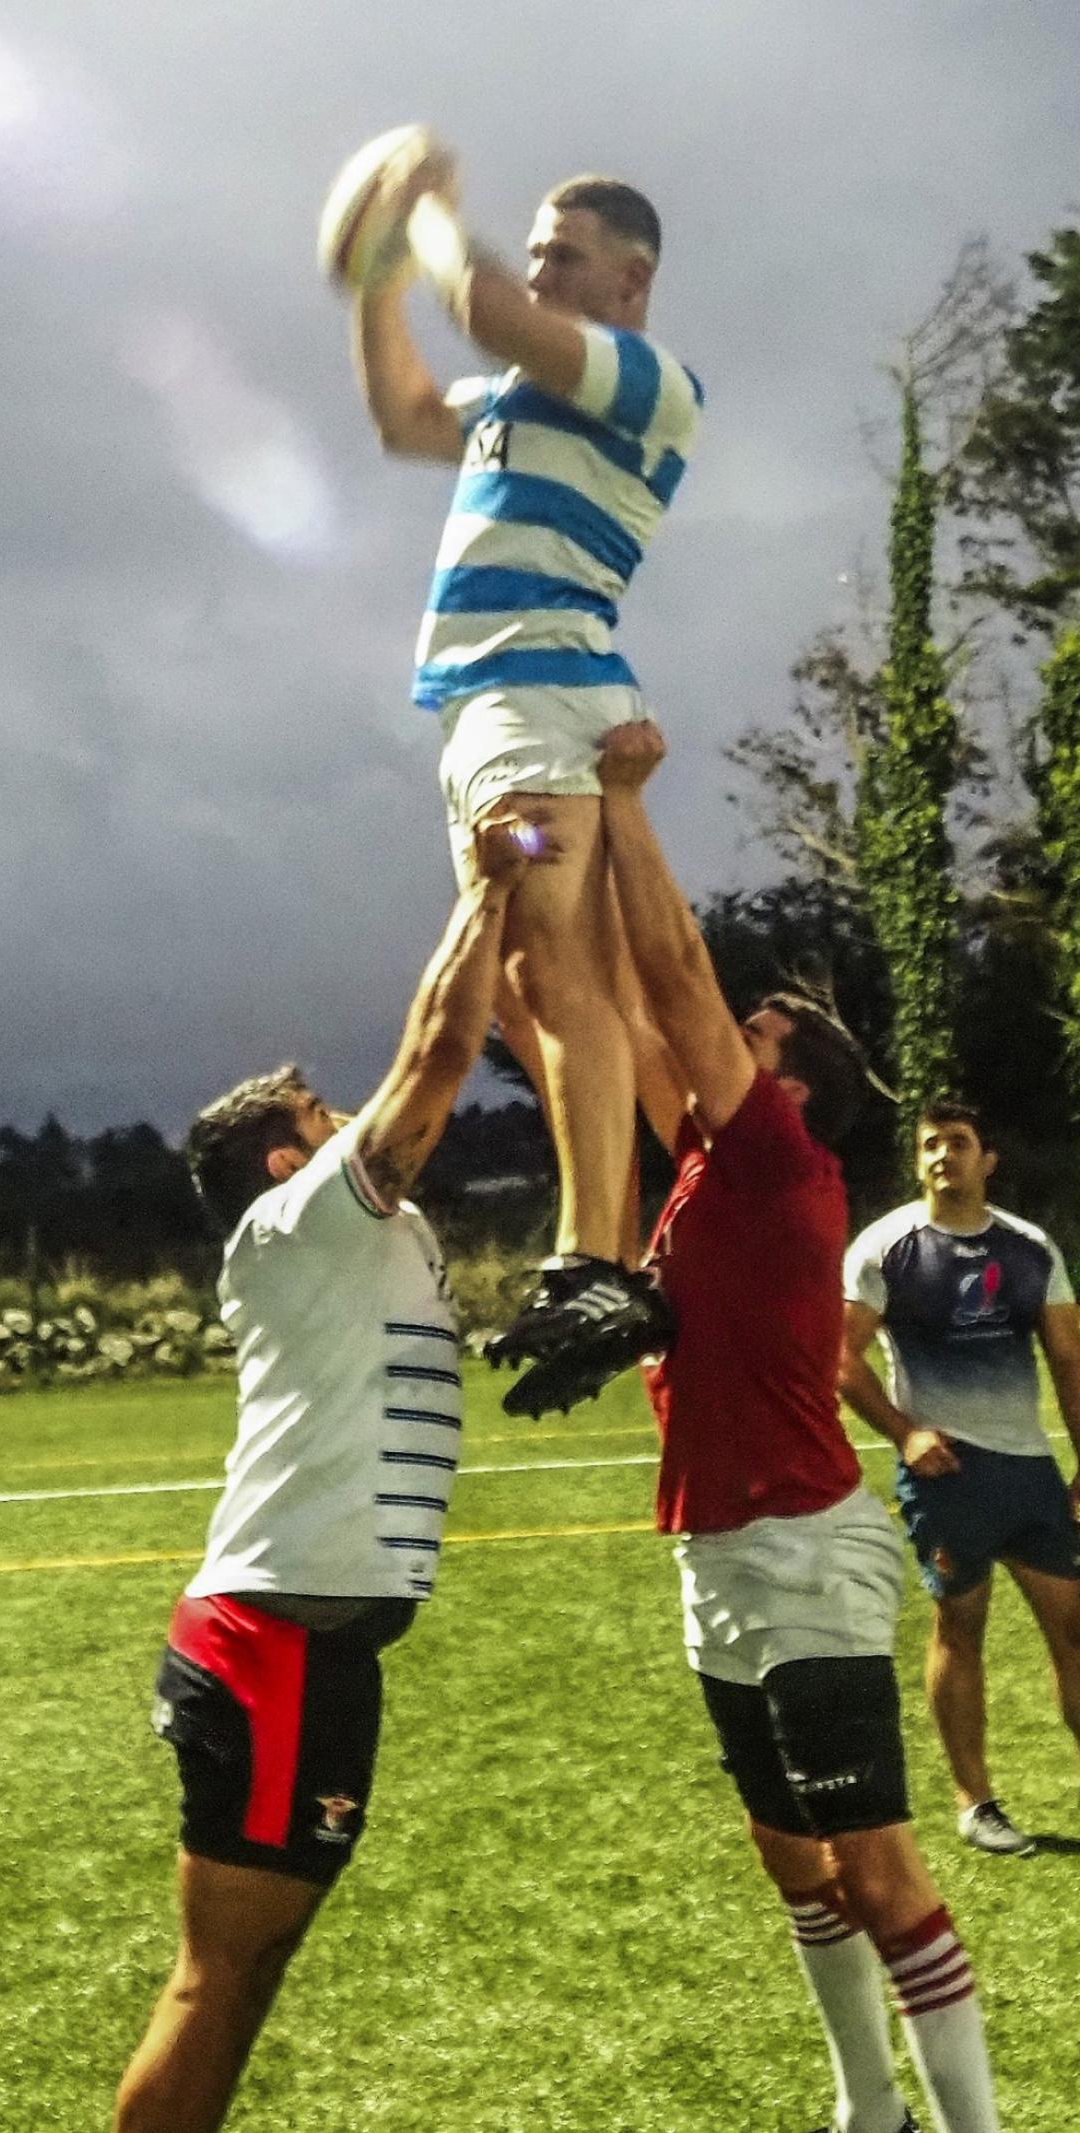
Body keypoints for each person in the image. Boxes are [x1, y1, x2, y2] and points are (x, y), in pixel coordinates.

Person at [28, 821, 544, 2133]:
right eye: (317, 1117)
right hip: (263, 1650)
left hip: (321, 1656)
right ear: (281, 1162)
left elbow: (471, 1041)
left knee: (257, 1963)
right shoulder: (301, 1221)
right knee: (214, 1975)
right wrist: (490, 885)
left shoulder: (353, 1234)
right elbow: (439, 1048)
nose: (349, 1122)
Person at [540, 721, 1040, 2133]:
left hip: (811, 1554)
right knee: (794, 1863)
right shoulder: (694, 1177)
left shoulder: (769, 1150)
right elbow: (589, 1010)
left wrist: (616, 803)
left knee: (882, 1876)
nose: (706, 1046)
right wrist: (522, 861)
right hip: (715, 1558)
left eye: (743, 1040)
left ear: (790, 1077)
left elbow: (666, 970)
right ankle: (872, 2122)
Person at [345, 134, 701, 1381]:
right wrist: (379, 280)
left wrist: (427, 213)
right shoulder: (515, 405)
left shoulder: (645, 381)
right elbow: (400, 416)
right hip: (486, 712)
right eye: (538, 250)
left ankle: (597, 1266)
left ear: (630, 282)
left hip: (548, 701)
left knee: (556, 961)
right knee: (522, 989)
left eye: (566, 254)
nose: (541, 271)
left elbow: (488, 309)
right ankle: (615, 1257)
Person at [841, 1104, 1080, 1855]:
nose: (941, 1157)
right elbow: (841, 1359)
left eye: (957, 1144)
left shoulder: (1028, 1248)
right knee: (959, 1629)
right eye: (929, 1145)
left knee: (1077, 1628)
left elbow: (1067, 1358)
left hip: (1028, 1472)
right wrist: (907, 1433)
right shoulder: (885, 1247)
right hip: (946, 1477)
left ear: (986, 1158)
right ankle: (975, 1803)